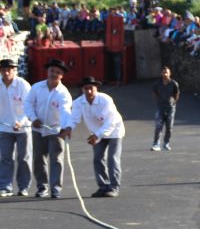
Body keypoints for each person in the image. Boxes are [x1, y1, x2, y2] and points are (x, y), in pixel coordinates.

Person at [61, 76, 125, 198]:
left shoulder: (105, 99)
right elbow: (74, 118)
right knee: (98, 158)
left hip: (114, 130)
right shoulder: (78, 103)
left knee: (113, 159)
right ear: (82, 90)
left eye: (91, 88)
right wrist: (68, 128)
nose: (89, 91)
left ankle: (114, 187)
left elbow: (111, 121)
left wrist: (97, 135)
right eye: (86, 88)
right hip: (96, 132)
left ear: (96, 88)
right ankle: (103, 186)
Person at [24, 58, 72, 198]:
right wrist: (33, 118)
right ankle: (42, 187)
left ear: (61, 75)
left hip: (56, 130)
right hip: (38, 129)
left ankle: (56, 188)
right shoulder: (37, 87)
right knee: (39, 159)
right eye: (52, 71)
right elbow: (28, 103)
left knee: (56, 159)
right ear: (47, 71)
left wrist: (65, 127)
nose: (54, 74)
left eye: (57, 72)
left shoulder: (63, 93)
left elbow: (65, 110)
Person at [0, 59, 32, 197]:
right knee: (6, 158)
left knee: (24, 158)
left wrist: (21, 121)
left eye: (10, 69)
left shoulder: (23, 85)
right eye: (4, 69)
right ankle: (5, 186)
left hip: (23, 128)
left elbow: (29, 106)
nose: (7, 72)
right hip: (4, 128)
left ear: (14, 70)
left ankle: (24, 187)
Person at [152, 66, 180, 151]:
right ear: (161, 73)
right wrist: (160, 100)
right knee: (158, 126)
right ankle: (156, 144)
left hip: (170, 108)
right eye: (163, 72)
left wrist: (173, 102)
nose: (165, 74)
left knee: (169, 127)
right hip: (160, 107)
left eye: (166, 72)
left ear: (169, 73)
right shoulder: (157, 84)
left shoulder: (174, 83)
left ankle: (166, 143)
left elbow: (177, 93)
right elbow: (155, 92)